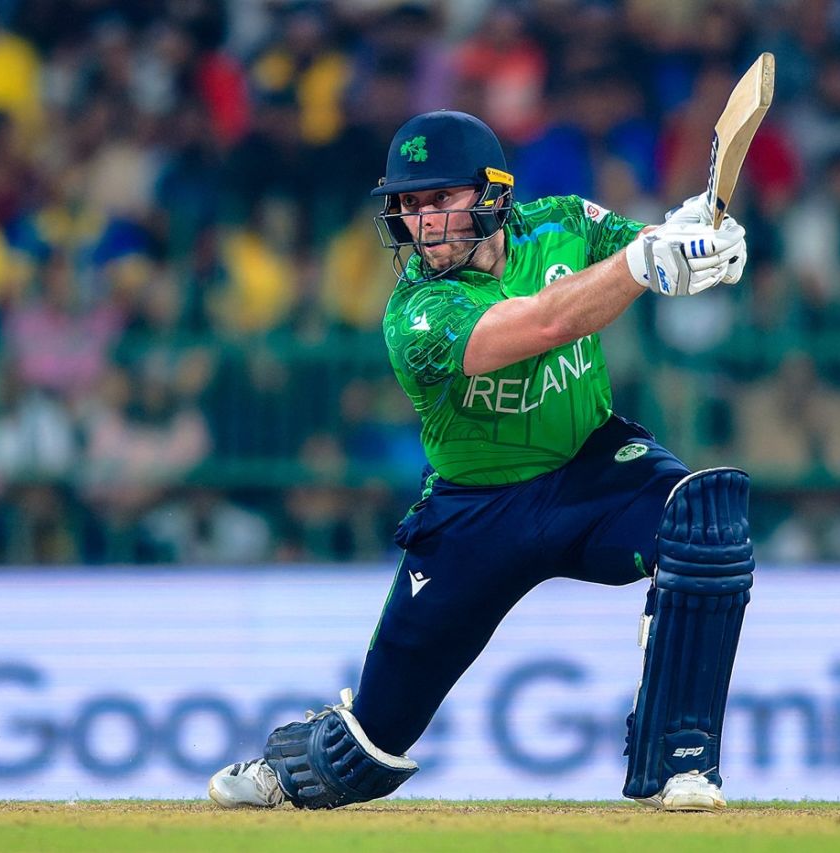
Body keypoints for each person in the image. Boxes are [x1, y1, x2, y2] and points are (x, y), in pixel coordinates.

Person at [207, 110, 756, 811]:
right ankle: (286, 766)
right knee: (364, 754)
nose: (423, 222)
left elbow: (645, 254)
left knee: (703, 523)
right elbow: (548, 320)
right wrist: (646, 261)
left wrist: (699, 242)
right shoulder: (415, 315)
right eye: (409, 204)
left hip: (591, 472)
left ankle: (678, 762)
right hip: (475, 516)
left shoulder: (562, 222)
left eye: (441, 198)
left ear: (494, 192)